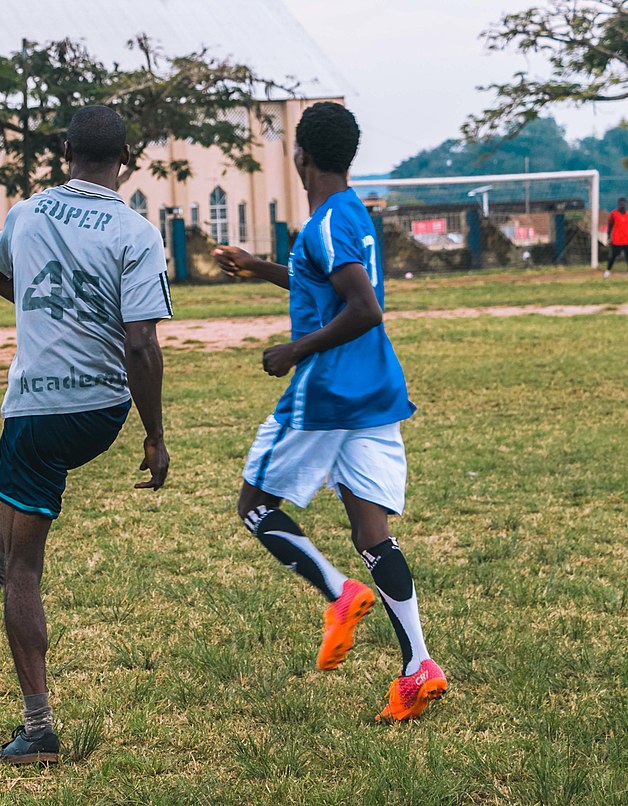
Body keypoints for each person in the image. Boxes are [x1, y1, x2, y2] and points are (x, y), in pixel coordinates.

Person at [0, 105, 172, 764]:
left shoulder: (27, 213)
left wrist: (49, 303)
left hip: (37, 412)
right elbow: (140, 343)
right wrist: (154, 434)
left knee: (27, 565)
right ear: (125, 159)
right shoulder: (137, 231)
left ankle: (38, 727)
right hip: (101, 414)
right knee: (24, 514)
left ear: (65, 150)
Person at [213, 102, 445, 722]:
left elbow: (364, 307)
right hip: (373, 393)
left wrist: (294, 349)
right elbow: (325, 284)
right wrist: (258, 267)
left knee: (255, 506)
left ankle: (339, 594)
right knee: (373, 534)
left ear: (302, 157)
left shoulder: (323, 222)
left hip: (328, 393)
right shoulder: (350, 214)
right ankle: (418, 665)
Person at [605, 197, 628, 280]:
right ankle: (608, 271)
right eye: (620, 204)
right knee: (613, 256)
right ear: (618, 204)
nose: (622, 205)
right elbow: (610, 226)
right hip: (616, 240)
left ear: (626, 204)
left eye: (623, 204)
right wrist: (608, 237)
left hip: (625, 240)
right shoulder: (613, 214)